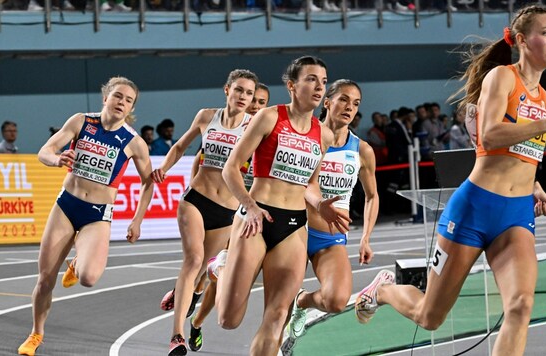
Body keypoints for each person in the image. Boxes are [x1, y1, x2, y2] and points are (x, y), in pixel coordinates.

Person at [354, 5, 546, 356]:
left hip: (516, 214)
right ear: (522, 39)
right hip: (475, 207)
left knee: (521, 306)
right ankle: (382, 290)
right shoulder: (502, 78)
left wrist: (535, 184)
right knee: (429, 315)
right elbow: (491, 137)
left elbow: (525, 151)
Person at [215, 55, 349, 356]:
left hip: (293, 227)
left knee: (277, 316)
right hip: (257, 217)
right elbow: (231, 167)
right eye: (311, 79)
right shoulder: (269, 117)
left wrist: (320, 205)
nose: (319, 87)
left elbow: (309, 184)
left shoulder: (323, 135)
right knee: (228, 318)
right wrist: (249, 205)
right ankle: (220, 268)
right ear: (292, 85)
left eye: (323, 82)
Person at [17, 77, 154, 356]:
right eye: (117, 96)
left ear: (131, 108)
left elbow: (148, 181)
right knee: (45, 279)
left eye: (128, 100)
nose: (121, 102)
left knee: (89, 277)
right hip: (66, 206)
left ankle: (78, 262)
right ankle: (36, 334)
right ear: (105, 98)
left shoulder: (134, 142)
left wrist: (137, 219)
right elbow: (45, 150)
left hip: (97, 215)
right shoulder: (81, 122)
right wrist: (56, 160)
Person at [151, 69, 258, 356]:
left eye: (248, 93)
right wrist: (163, 168)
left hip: (227, 211)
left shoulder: (254, 127)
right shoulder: (206, 116)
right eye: (238, 90)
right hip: (195, 200)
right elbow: (179, 146)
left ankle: (185, 292)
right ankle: (177, 336)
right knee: (194, 259)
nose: (243, 97)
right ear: (227, 90)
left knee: (199, 273)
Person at [285, 79, 379, 345]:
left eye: (356, 103)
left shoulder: (362, 150)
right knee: (278, 309)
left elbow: (372, 196)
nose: (350, 107)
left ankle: (302, 301)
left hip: (330, 238)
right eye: (344, 100)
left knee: (337, 301)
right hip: (296, 229)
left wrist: (366, 238)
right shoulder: (308, 137)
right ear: (327, 102)